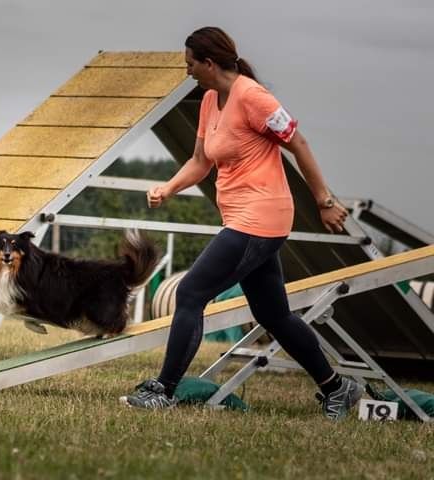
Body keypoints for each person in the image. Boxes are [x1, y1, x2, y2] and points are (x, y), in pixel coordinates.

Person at [120, 26, 363, 420]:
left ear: (209, 63)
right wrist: (169, 188)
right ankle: (337, 388)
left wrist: (324, 201)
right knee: (273, 314)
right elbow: (201, 161)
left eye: (190, 65)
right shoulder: (211, 100)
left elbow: (298, 143)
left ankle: (164, 389)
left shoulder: (254, 97)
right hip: (242, 217)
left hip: (261, 217)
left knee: (191, 293)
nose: (187, 72)